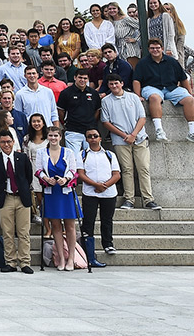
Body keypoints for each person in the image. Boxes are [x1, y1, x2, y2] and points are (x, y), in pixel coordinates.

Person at [101, 73, 156, 210]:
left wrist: (133, 134)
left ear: (122, 83)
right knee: (126, 169)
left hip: (140, 138)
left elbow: (142, 118)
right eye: (111, 84)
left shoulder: (133, 98)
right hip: (120, 140)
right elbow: (106, 122)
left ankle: (148, 199)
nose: (114, 86)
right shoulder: (106, 101)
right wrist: (124, 135)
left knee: (143, 168)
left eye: (116, 83)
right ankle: (129, 199)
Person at [36, 126, 81, 271]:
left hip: (65, 192)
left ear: (61, 137)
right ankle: (61, 257)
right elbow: (38, 170)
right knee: (55, 225)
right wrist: (46, 178)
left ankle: (72, 257)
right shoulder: (41, 152)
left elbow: (73, 170)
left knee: (70, 226)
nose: (53, 138)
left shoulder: (68, 152)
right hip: (51, 192)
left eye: (56, 135)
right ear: (47, 137)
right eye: (50, 135)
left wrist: (66, 178)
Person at [0, 132, 34, 274]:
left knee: (23, 232)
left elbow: (29, 176)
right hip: (6, 197)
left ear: (13, 142)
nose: (6, 145)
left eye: (8, 141)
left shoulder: (22, 158)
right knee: (7, 232)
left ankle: (25, 262)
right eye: (3, 142)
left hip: (22, 198)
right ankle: (10, 262)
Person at [134, 38, 194, 142]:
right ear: (148, 49)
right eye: (152, 48)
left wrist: (190, 93)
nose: (155, 50)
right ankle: (159, 131)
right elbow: (136, 80)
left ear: (162, 48)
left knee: (190, 99)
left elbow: (183, 78)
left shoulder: (172, 61)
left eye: (157, 48)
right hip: (151, 87)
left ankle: (192, 132)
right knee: (154, 98)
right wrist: (137, 95)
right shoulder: (142, 63)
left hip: (171, 88)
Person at [77, 128, 119, 266]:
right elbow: (81, 174)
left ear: (100, 138)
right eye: (90, 136)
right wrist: (95, 184)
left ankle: (108, 243)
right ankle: (88, 248)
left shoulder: (109, 154)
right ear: (86, 139)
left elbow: (116, 174)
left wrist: (104, 185)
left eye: (95, 136)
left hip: (108, 192)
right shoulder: (82, 154)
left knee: (107, 219)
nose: (93, 138)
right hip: (90, 192)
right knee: (88, 220)